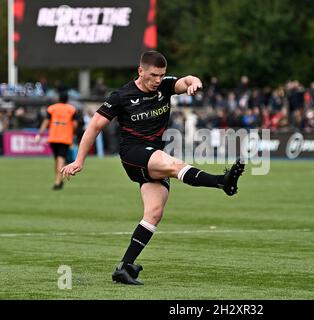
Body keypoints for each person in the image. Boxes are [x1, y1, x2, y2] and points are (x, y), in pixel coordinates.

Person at [60, 51, 245, 285]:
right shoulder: (121, 96)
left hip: (153, 157)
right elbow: (94, 126)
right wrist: (79, 160)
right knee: (172, 164)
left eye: (162, 75)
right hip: (133, 155)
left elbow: (186, 80)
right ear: (141, 71)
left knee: (154, 213)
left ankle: (124, 267)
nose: (158, 80)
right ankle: (222, 181)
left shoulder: (165, 86)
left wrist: (194, 82)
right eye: (154, 75)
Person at [36, 91, 77, 190]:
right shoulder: (71, 109)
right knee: (61, 159)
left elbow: (46, 122)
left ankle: (58, 180)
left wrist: (39, 134)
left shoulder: (52, 108)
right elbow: (75, 124)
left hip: (53, 137)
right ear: (67, 99)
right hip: (65, 138)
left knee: (56, 160)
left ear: (58, 98)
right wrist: (72, 131)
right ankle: (58, 182)